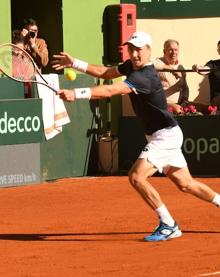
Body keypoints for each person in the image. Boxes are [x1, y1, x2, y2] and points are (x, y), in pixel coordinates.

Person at [52, 31, 220, 242]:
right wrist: (74, 62)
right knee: (186, 183)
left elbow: (112, 90)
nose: (135, 53)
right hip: (163, 134)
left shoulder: (145, 76)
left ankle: (168, 224)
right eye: (131, 48)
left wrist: (76, 94)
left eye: (139, 49)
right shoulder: (131, 66)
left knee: (136, 177)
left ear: (149, 50)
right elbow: (105, 72)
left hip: (165, 136)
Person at [154, 39, 189, 114]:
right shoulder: (158, 62)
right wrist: (170, 68)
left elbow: (185, 88)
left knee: (206, 109)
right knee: (178, 110)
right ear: (164, 51)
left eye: (176, 50)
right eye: (170, 50)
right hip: (163, 104)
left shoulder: (180, 67)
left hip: (180, 103)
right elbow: (150, 64)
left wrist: (185, 101)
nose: (174, 52)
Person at [192, 40, 220, 109]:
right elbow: (205, 69)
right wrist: (198, 68)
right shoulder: (213, 64)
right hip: (217, 100)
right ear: (218, 51)